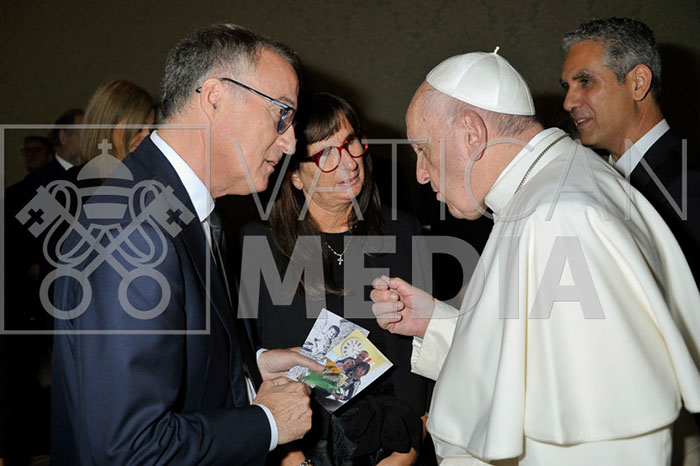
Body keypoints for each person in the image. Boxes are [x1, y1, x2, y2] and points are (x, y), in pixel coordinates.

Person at [370, 49, 700, 465]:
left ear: (471, 133)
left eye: (423, 149)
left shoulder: (558, 217)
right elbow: (536, 364)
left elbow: (609, 437)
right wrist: (434, 322)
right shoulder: (549, 187)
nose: (420, 173)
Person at [50, 24, 321, 464]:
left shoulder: (180, 205)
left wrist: (251, 365)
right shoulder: (132, 228)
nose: (291, 142)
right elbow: (129, 449)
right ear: (214, 97)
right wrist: (268, 423)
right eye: (282, 114)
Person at [240, 92, 431, 465]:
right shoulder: (259, 243)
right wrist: (296, 461)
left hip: (394, 446)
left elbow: (423, 363)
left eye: (350, 142)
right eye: (325, 153)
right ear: (295, 175)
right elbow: (249, 366)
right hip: (296, 449)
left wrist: (403, 456)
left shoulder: (403, 232)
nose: (347, 162)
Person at [560, 18, 700, 284]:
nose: (568, 102)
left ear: (638, 83)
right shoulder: (594, 177)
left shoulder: (686, 185)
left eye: (586, 81)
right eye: (567, 87)